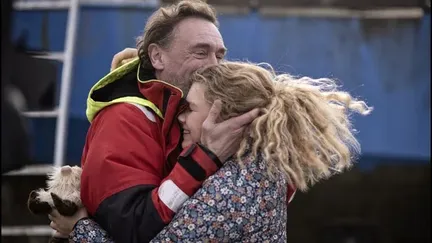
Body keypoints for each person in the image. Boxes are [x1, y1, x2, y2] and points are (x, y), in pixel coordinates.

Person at [50, 61, 372, 242]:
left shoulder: (235, 189)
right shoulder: (256, 171)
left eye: (190, 108)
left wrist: (79, 229)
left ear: (226, 115)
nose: (180, 117)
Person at [47, 1, 259, 242]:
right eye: (201, 52)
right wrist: (204, 157)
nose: (214, 65)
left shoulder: (187, 110)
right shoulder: (125, 119)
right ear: (157, 56)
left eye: (219, 55)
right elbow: (131, 228)